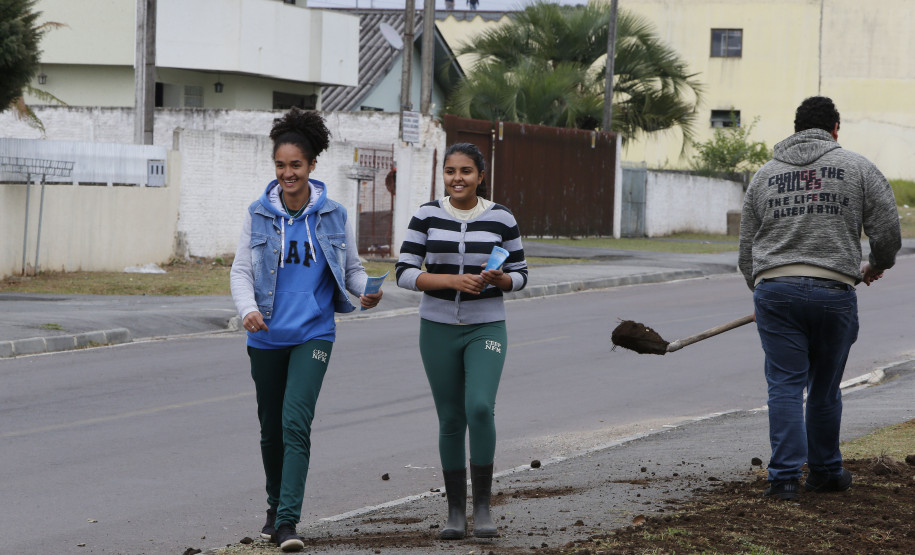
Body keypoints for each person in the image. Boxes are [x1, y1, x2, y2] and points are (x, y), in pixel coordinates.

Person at [230, 108, 382, 552]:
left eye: (296, 165)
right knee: (270, 428)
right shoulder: (259, 213)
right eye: (281, 165)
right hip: (265, 335)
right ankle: (274, 507)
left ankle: (287, 523)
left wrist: (364, 291)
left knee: (296, 422)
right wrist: (246, 310)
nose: (287, 173)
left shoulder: (333, 214)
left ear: (312, 165)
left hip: (314, 334)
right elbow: (241, 270)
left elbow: (350, 270)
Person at [738, 96, 901, 500]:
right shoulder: (858, 168)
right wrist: (877, 264)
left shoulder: (764, 176)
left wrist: (761, 291)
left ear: (795, 129)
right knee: (825, 388)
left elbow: (746, 251)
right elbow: (888, 231)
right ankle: (826, 471)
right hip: (833, 291)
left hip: (775, 290)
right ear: (835, 130)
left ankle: (783, 481)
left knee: (785, 386)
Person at [395, 143, 528, 539]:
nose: (457, 178)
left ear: (480, 176)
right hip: (436, 328)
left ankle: (483, 509)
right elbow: (403, 272)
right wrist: (453, 280)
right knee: (451, 418)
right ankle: (456, 513)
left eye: (466, 171)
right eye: (451, 171)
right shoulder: (426, 214)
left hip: (486, 326)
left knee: (480, 407)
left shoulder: (502, 217)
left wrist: (500, 279)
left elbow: (520, 273)